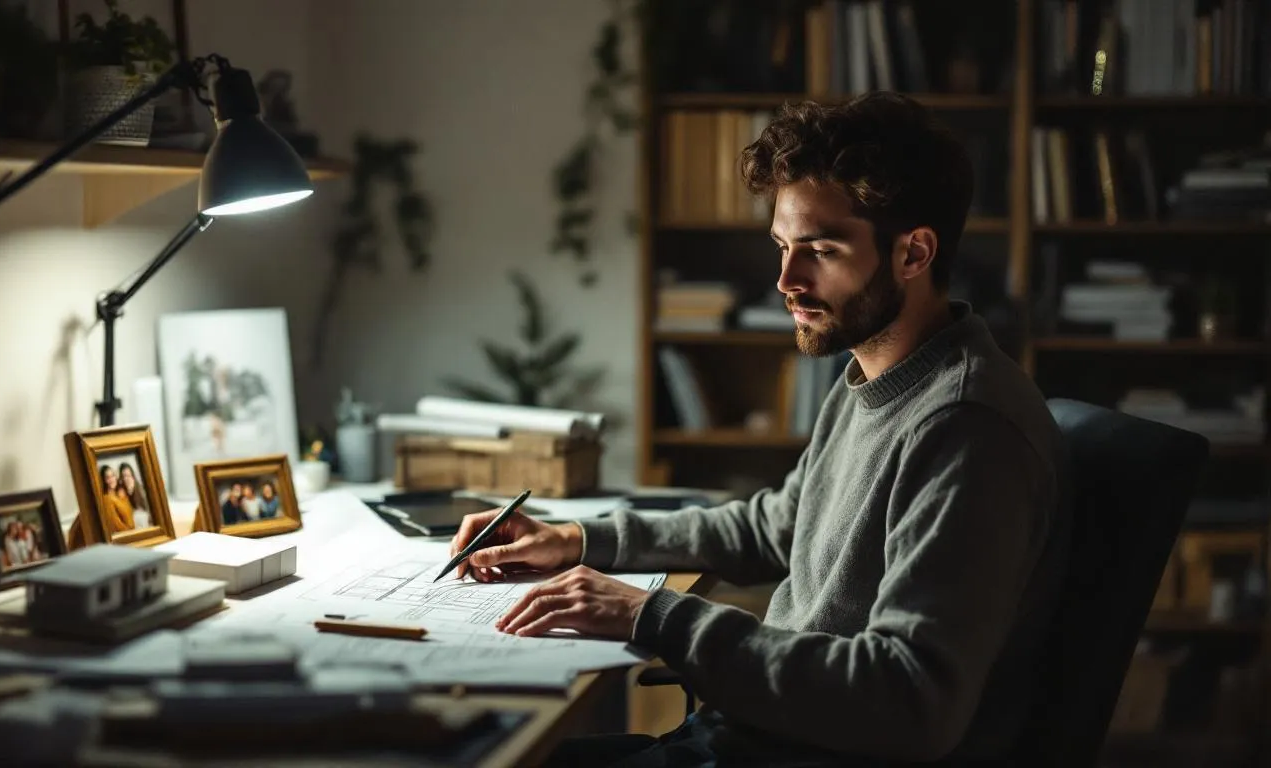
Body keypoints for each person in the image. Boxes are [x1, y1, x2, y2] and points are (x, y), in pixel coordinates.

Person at [449, 92, 1070, 767]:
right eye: (781, 246)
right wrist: (579, 541)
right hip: (756, 737)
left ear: (914, 253)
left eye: (821, 250)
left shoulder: (964, 428)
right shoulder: (878, 374)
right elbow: (774, 526)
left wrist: (649, 615)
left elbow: (910, 698)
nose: (786, 281)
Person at [100, 464, 136, 533]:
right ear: (104, 480)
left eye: (113, 476)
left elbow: (130, 513)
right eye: (108, 478)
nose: (111, 480)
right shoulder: (107, 498)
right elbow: (116, 524)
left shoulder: (121, 493)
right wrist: (131, 533)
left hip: (133, 530)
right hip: (126, 534)